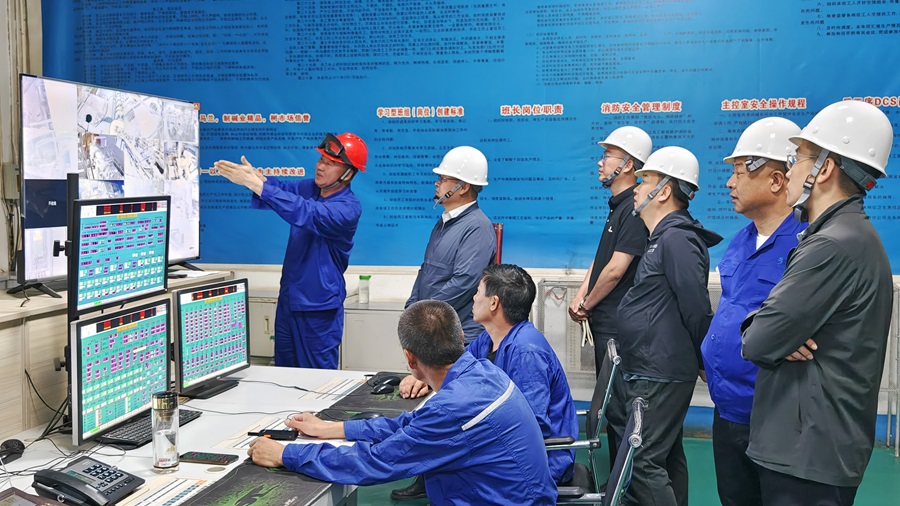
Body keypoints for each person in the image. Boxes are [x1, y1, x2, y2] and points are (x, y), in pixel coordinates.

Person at [247, 299, 557, 506]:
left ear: (410, 358)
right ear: (460, 335)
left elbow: (376, 462)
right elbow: (413, 424)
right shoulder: (483, 373)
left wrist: (286, 454)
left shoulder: (452, 408)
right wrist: (334, 428)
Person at [741, 100, 894, 506]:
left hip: (807, 453)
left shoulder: (831, 245)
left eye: (797, 159)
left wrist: (767, 331)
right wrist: (771, 329)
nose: (789, 171)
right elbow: (768, 332)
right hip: (814, 447)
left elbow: (758, 342)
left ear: (824, 169)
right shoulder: (847, 236)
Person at [699, 117, 806, 506]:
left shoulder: (805, 246)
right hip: (727, 409)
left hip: (774, 419)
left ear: (776, 180)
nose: (730, 183)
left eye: (740, 173)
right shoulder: (741, 240)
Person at [608, 146, 722, 506]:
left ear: (664, 191)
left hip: (658, 371)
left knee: (642, 460)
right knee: (666, 456)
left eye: (645, 181)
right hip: (651, 367)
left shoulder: (677, 239)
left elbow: (696, 306)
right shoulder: (662, 237)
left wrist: (703, 359)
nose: (637, 188)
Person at [400, 264, 579, 484]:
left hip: (538, 462)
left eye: (478, 292)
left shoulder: (526, 352)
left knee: (448, 444)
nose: (474, 298)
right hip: (512, 448)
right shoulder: (490, 338)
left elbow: (533, 425)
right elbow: (457, 367)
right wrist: (422, 376)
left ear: (494, 303)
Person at [215, 132, 366, 369]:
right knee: (284, 372)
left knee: (318, 377)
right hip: (289, 301)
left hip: (318, 307)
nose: (320, 166)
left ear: (348, 173)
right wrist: (257, 179)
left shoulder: (348, 208)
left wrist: (258, 186)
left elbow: (305, 212)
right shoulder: (310, 188)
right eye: (321, 159)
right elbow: (282, 190)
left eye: (330, 163)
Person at [569, 126, 651, 371]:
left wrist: (586, 305)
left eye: (607, 156)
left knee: (613, 393)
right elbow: (602, 259)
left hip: (617, 326)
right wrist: (581, 295)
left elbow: (615, 270)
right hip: (606, 321)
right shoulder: (619, 206)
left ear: (627, 165)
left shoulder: (634, 208)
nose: (600, 162)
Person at [406, 146, 497, 343]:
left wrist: (424, 314)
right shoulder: (444, 222)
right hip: (434, 327)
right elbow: (426, 270)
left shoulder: (477, 227)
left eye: (443, 179)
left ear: (463, 187)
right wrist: (412, 308)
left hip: (460, 335)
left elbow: (464, 281)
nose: (437, 183)